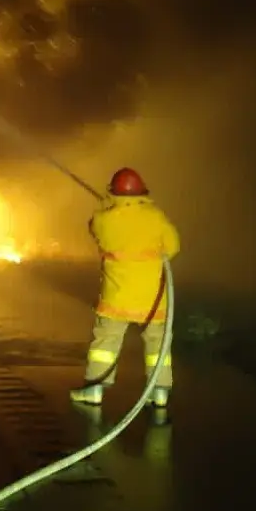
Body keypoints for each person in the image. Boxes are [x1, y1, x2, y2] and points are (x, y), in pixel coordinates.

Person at [70, 167, 180, 411]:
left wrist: (109, 208)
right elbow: (173, 246)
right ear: (142, 192)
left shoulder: (104, 219)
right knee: (157, 343)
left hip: (117, 298)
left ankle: (95, 389)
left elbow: (93, 228)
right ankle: (160, 392)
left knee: (106, 342)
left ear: (113, 193)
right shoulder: (155, 216)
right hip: (153, 299)